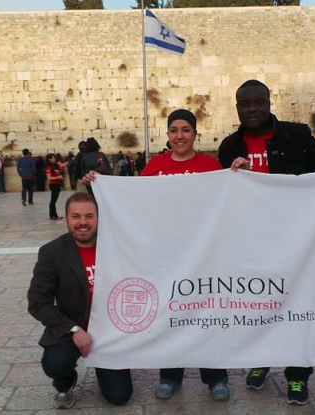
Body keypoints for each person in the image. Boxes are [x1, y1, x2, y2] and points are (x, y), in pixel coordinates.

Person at [82, 109, 229, 401]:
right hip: (165, 256)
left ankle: (215, 377)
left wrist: (241, 173)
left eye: (186, 130)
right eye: (174, 130)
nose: (179, 136)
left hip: (204, 254)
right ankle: (170, 375)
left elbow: (227, 201)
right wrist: (98, 185)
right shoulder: (155, 166)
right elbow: (136, 203)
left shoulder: (211, 165)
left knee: (207, 314)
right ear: (168, 134)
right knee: (170, 313)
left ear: (195, 134)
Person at [218, 79, 315, 405]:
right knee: (258, 306)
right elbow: (220, 199)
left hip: (296, 240)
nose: (252, 109)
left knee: (297, 306)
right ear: (238, 107)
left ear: (269, 103)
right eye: (245, 104)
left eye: (258, 102)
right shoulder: (230, 147)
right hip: (252, 244)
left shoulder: (296, 134)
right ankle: (261, 359)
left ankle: (298, 376)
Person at [27, 192, 133, 409]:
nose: (82, 222)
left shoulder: (117, 246)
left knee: (119, 397)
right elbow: (38, 302)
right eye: (76, 216)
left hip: (111, 330)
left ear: (99, 218)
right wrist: (74, 329)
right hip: (72, 326)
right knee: (55, 364)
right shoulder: (51, 253)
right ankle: (66, 382)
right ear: (66, 218)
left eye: (89, 216)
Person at [46, 153, 67, 220]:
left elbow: (62, 165)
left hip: (57, 184)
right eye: (53, 158)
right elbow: (49, 178)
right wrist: (59, 177)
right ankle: (53, 215)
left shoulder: (55, 166)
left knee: (54, 201)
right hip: (53, 185)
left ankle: (54, 214)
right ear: (50, 159)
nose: (55, 159)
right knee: (53, 201)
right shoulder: (49, 167)